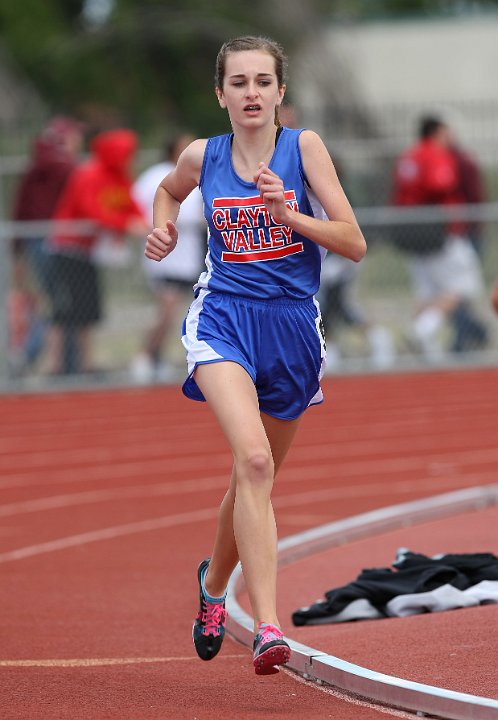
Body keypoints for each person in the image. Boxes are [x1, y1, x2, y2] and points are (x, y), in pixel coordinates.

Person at [145, 36, 366, 676]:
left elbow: (352, 242)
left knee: (255, 479)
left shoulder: (306, 150)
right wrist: (161, 227)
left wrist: (289, 214)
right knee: (252, 459)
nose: (251, 93)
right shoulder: (203, 155)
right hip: (223, 320)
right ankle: (268, 626)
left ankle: (213, 586)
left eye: (262, 81)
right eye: (238, 82)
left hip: (293, 331)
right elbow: (168, 191)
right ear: (221, 94)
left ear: (279, 93)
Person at [44, 128, 149, 375]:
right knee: (63, 308)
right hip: (67, 248)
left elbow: (130, 204)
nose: (130, 159)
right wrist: (125, 224)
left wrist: (140, 222)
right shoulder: (89, 173)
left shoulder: (119, 175)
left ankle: (86, 364)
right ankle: (54, 365)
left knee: (87, 308)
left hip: (88, 251)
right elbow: (91, 210)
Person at [391, 115, 487, 361]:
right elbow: (440, 183)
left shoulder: (409, 155)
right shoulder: (433, 154)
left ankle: (427, 349)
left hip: (415, 230)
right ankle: (422, 330)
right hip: (439, 231)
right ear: (435, 132)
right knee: (462, 287)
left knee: (428, 291)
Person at [10, 116, 84, 370]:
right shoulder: (62, 164)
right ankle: (34, 359)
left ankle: (63, 362)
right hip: (50, 239)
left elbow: (19, 207)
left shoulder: (39, 164)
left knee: (60, 300)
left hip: (44, 238)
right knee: (58, 302)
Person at [130, 134, 205, 383]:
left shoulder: (197, 174)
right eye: (184, 146)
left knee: (183, 311)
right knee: (167, 308)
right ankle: (144, 356)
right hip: (165, 258)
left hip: (189, 257)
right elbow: (138, 204)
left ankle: (158, 357)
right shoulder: (157, 175)